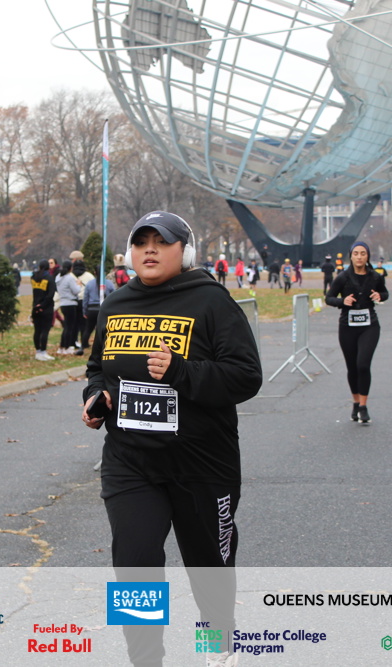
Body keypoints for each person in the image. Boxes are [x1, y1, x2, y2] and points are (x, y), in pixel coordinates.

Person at [82, 211, 262, 667]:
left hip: (202, 463)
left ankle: (218, 650)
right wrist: (96, 396)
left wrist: (182, 371)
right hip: (131, 462)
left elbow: (246, 375)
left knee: (209, 569)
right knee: (134, 567)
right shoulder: (116, 303)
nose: (149, 249)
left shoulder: (211, 301)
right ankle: (146, 661)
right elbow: (98, 368)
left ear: (185, 251)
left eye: (161, 242)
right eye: (141, 241)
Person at [325, 241, 389, 424]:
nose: (359, 257)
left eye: (363, 253)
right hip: (347, 327)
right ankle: (355, 401)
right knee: (352, 367)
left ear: (367, 256)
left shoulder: (375, 276)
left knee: (363, 364)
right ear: (351, 256)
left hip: (370, 326)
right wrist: (342, 301)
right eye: (356, 254)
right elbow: (329, 298)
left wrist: (379, 296)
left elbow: (385, 293)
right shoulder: (342, 277)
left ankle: (363, 405)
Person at [30, 260, 56, 361]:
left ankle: (38, 352)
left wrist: (37, 306)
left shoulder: (33, 277)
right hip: (46, 308)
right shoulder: (49, 278)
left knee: (37, 331)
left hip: (35, 306)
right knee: (45, 331)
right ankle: (43, 352)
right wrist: (43, 305)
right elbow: (50, 295)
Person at [55, 260, 82, 355]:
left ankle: (62, 347)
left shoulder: (58, 277)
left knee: (66, 326)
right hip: (71, 303)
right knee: (70, 327)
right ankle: (67, 346)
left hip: (63, 303)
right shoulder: (69, 278)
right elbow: (76, 291)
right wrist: (79, 285)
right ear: (71, 268)